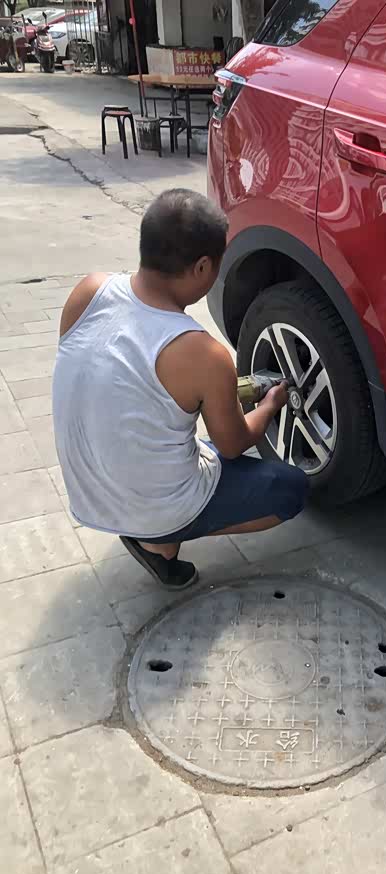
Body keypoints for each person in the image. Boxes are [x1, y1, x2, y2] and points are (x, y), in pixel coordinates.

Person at [52, 188, 308, 590]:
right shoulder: (203, 353)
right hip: (148, 507)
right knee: (291, 489)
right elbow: (233, 445)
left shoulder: (89, 290)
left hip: (89, 493)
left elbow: (110, 386)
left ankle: (148, 524)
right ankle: (160, 540)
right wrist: (271, 403)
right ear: (203, 266)